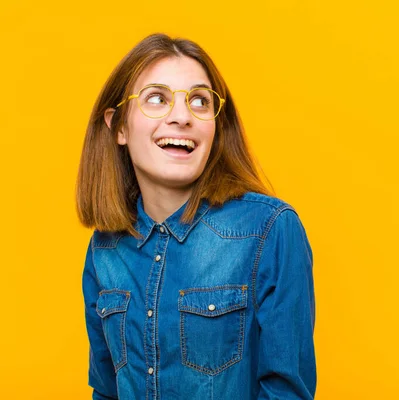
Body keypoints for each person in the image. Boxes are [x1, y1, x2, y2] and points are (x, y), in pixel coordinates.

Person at [76, 33, 316, 399]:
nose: (182, 116)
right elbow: (107, 391)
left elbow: (287, 393)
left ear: (216, 127)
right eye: (157, 98)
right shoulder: (104, 249)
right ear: (119, 126)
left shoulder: (269, 231)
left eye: (200, 101)